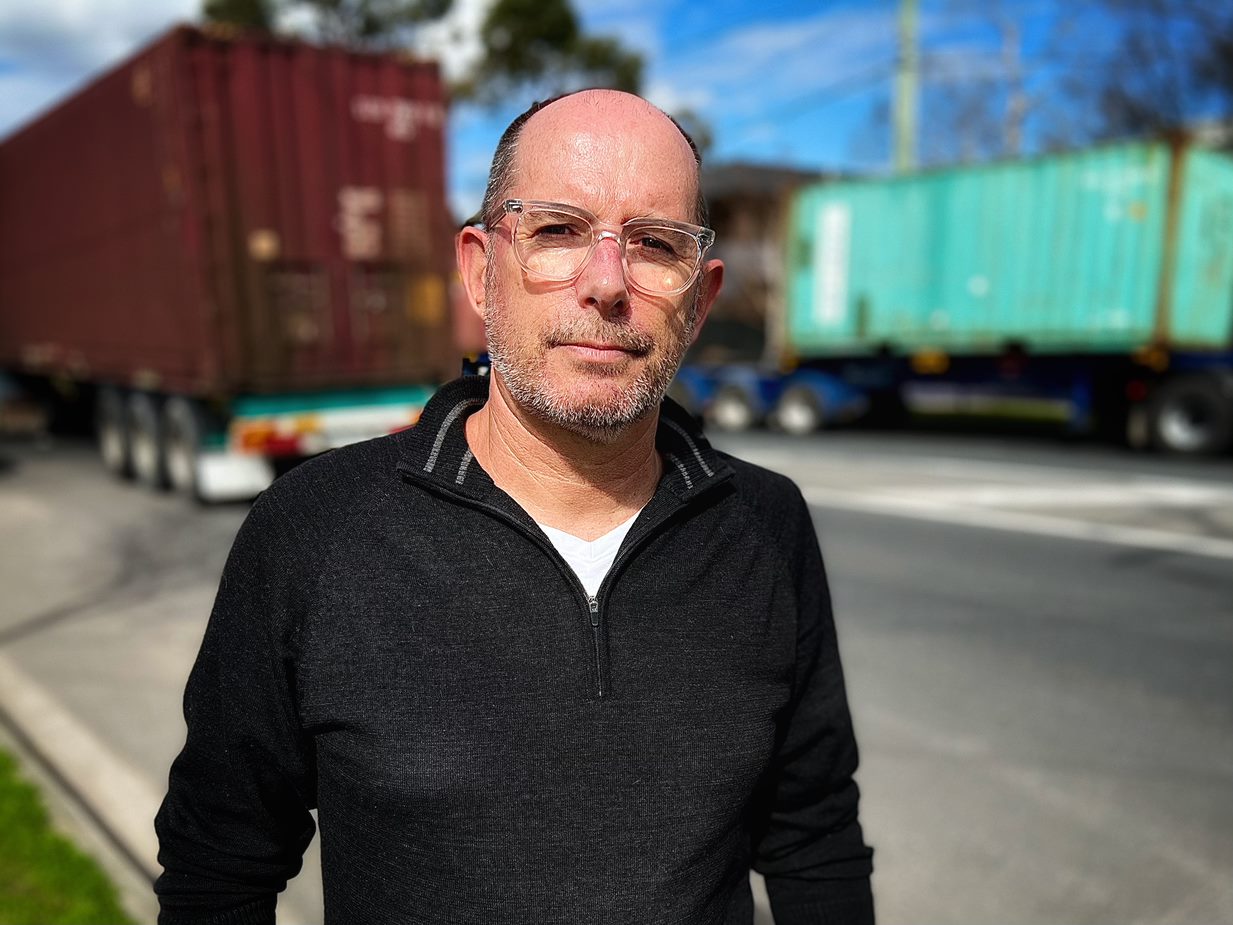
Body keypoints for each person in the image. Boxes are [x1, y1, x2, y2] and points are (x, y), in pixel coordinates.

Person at [155, 89, 873, 925]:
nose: (607, 284)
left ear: (700, 296)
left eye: (654, 244)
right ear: (478, 268)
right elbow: (219, 863)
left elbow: (813, 834)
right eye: (558, 231)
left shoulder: (764, 522)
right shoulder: (314, 531)